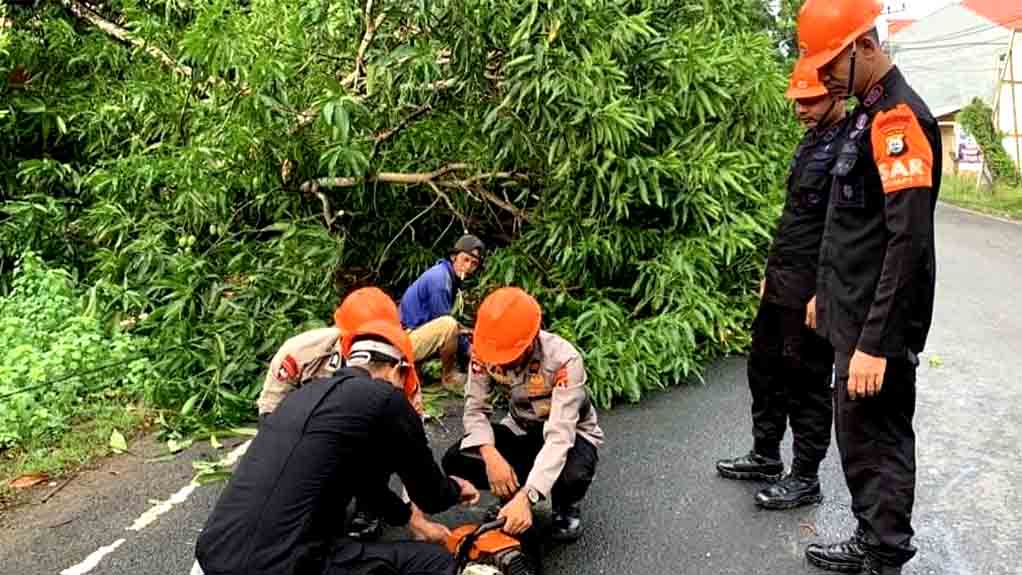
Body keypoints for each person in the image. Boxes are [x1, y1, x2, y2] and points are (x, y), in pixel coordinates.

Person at [796, 1, 940, 574]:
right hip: (851, 316)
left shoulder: (899, 119)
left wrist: (876, 343)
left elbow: (908, 244)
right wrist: (824, 297)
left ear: (865, 46)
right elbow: (851, 230)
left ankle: (884, 555)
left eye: (832, 62)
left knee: (878, 442)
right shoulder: (864, 114)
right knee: (856, 439)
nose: (823, 76)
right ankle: (869, 537)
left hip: (875, 330)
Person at [195, 319, 481, 575]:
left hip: (213, 554)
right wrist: (456, 489)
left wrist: (411, 519)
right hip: (281, 565)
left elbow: (362, 481)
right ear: (399, 368)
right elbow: (431, 496)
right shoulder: (386, 399)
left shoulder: (300, 396)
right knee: (437, 562)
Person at [715, 60, 843, 510]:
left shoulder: (849, 144)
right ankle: (765, 454)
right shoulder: (811, 142)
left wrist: (822, 291)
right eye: (798, 101)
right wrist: (770, 273)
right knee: (764, 367)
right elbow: (796, 220)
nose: (801, 109)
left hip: (811, 289)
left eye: (810, 100)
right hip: (782, 282)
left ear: (835, 94)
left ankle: (805, 477)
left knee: (806, 380)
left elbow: (839, 230)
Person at [254, 287, 422, 541]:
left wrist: (415, 513)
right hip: (306, 435)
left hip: (362, 442)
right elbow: (270, 413)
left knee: (385, 433)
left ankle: (370, 506)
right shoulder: (301, 352)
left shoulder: (398, 368)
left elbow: (412, 445)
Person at [441, 287, 603, 542]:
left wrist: (528, 496)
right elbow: (475, 409)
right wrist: (490, 454)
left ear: (531, 340)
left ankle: (563, 505)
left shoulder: (564, 360)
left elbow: (559, 436)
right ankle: (510, 496)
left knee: (574, 475)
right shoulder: (484, 350)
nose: (502, 364)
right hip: (522, 428)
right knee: (457, 458)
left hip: (569, 435)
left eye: (509, 356)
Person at [400, 234, 485, 388]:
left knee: (459, 328)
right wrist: (470, 351)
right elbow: (445, 324)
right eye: (465, 260)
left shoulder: (447, 275)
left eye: (473, 263)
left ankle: (416, 371)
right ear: (454, 257)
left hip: (413, 333)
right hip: (404, 341)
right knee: (449, 325)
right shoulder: (440, 280)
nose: (468, 267)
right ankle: (449, 377)